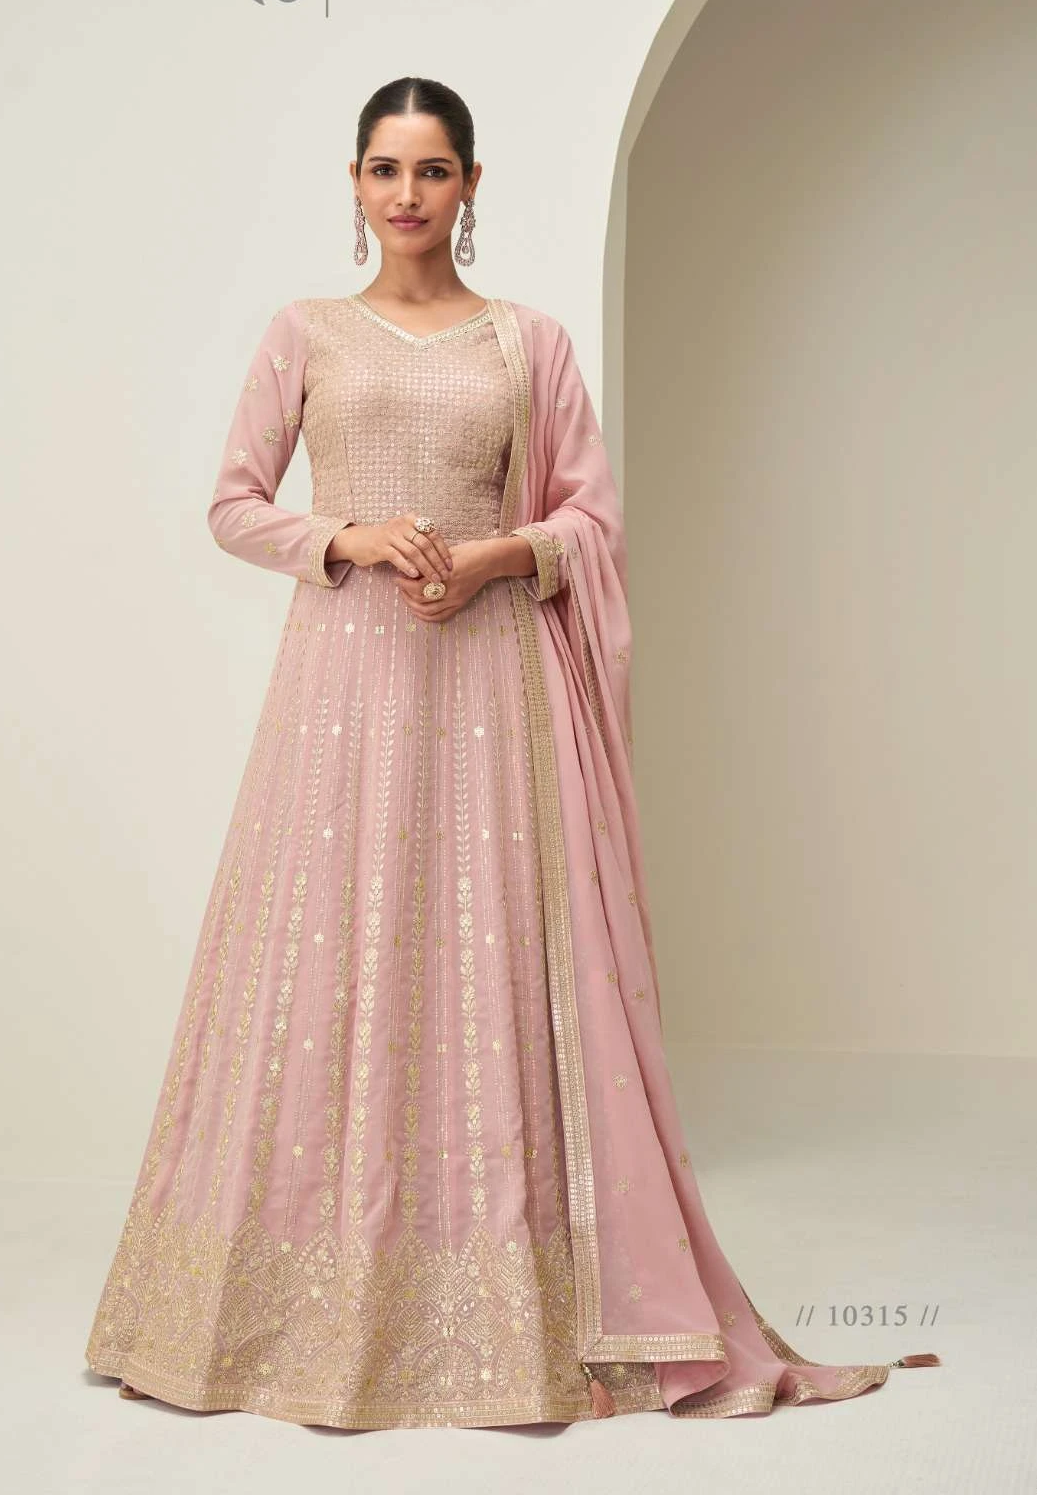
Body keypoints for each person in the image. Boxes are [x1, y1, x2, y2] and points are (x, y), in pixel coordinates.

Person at [83, 77, 939, 1429]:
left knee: (484, 962)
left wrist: (494, 555)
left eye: (432, 170)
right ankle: (297, 1300)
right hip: (344, 691)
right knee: (334, 952)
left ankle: (517, 1297)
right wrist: (348, 538)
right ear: (354, 183)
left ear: (471, 185)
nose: (406, 194)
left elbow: (592, 519)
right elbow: (235, 504)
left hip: (492, 694)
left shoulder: (527, 344)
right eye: (384, 169)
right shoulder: (305, 333)